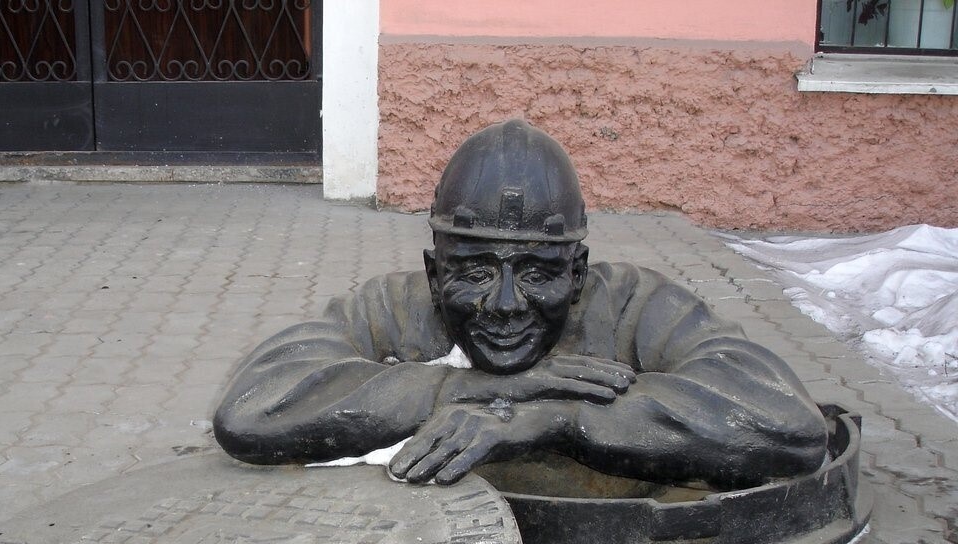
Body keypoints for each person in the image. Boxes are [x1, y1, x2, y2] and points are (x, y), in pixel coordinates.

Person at [213, 120, 828, 490]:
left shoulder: (636, 302)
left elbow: (789, 426)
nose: (504, 305)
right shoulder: (394, 306)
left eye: (536, 272)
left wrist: (552, 419)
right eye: (476, 271)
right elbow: (252, 411)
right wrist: (452, 389)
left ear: (578, 271)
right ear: (434, 273)